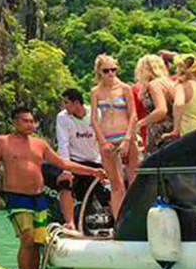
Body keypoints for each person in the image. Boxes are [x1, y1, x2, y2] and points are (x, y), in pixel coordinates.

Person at [0, 106, 105, 269]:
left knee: (38, 241)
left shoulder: (39, 144)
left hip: (39, 198)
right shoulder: (2, 142)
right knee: (27, 238)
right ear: (15, 122)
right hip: (16, 197)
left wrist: (92, 171)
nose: (30, 125)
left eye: (32, 121)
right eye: (25, 121)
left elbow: (63, 163)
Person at [90, 54, 138, 219]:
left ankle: (136, 218)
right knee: (115, 184)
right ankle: (119, 221)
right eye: (106, 71)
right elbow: (94, 119)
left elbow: (133, 115)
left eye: (113, 70)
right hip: (107, 138)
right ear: (99, 72)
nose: (110, 73)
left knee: (133, 180)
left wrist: (127, 139)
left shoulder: (125, 88)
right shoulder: (96, 92)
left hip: (125, 135)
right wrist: (102, 141)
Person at [48, 89, 102, 230]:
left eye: (67, 103)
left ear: (77, 103)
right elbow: (63, 143)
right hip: (73, 160)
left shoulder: (96, 113)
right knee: (65, 183)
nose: (64, 106)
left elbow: (103, 138)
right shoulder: (62, 117)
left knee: (105, 188)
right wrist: (66, 169)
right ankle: (70, 222)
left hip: (96, 159)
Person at [135, 54, 176, 154]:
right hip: (173, 130)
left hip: (161, 134)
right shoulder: (169, 83)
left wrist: (141, 123)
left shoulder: (154, 85)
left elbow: (161, 110)